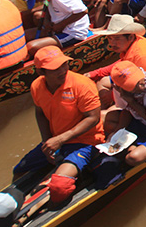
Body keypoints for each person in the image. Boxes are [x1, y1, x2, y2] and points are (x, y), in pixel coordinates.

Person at [11, 47, 106, 203]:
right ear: (42, 72)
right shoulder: (37, 86)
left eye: (64, 65)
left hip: (85, 142)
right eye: (55, 68)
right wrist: (46, 142)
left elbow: (93, 118)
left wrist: (60, 140)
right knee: (20, 171)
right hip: (58, 139)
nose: (63, 70)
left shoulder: (82, 85)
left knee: (59, 187)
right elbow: (40, 113)